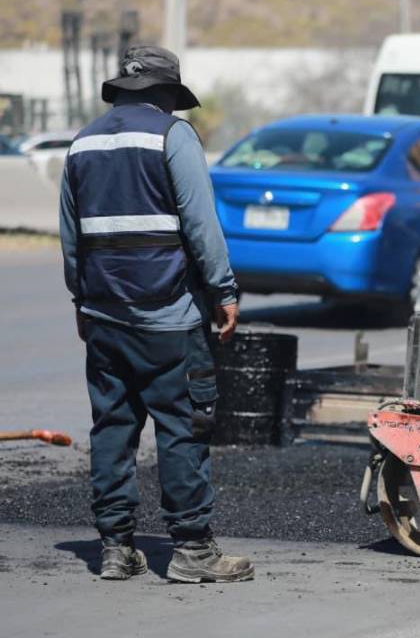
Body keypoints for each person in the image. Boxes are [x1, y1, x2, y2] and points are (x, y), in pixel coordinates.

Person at [59, 46, 254, 583]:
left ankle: (116, 550)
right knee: (182, 428)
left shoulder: (83, 143)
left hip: (103, 317)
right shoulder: (173, 136)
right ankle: (192, 551)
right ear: (167, 95)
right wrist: (223, 290)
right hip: (168, 318)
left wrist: (82, 302)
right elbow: (200, 223)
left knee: (113, 429)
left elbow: (72, 239)